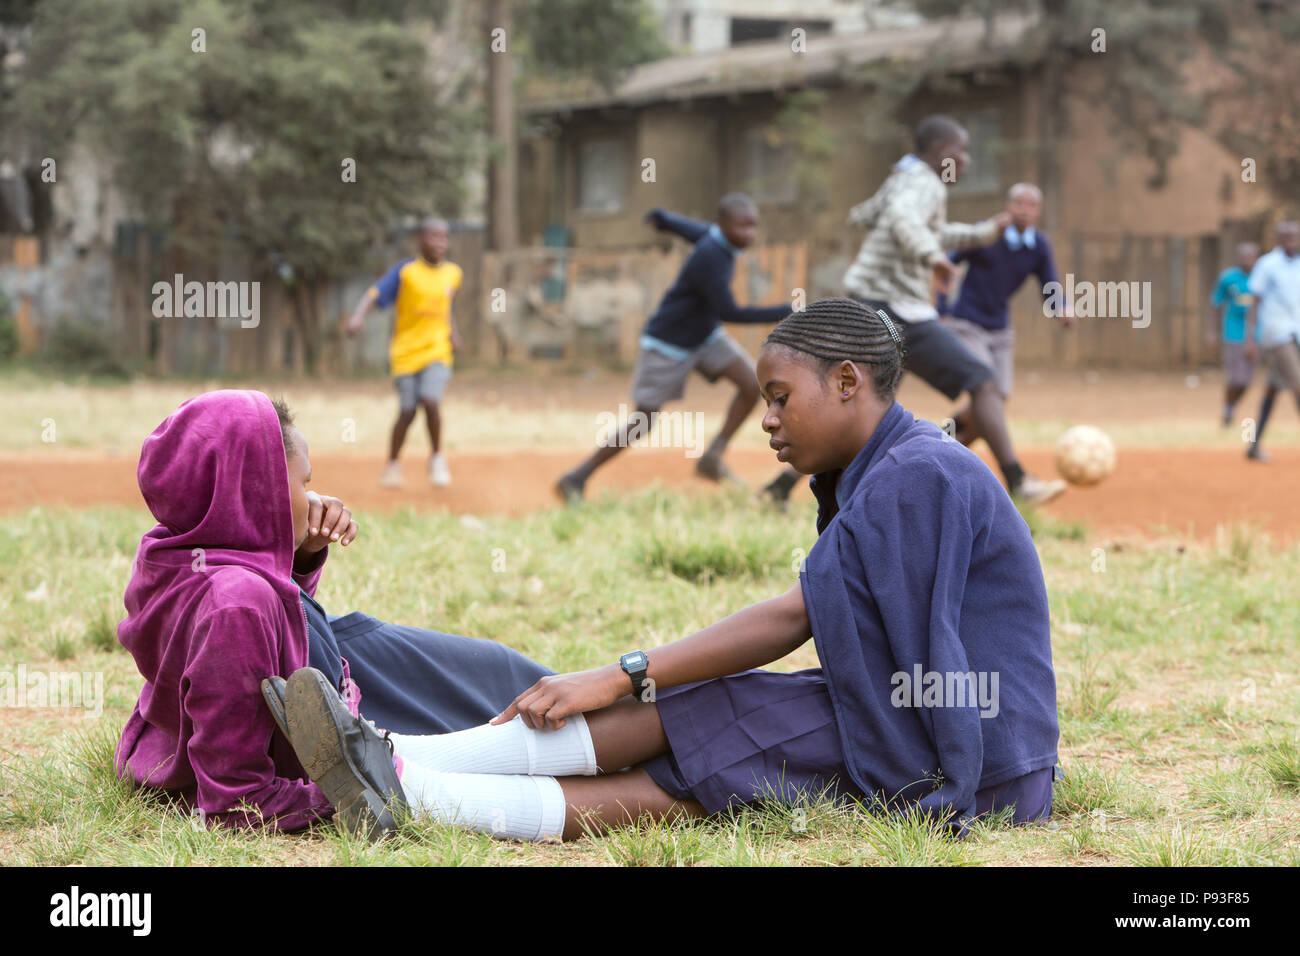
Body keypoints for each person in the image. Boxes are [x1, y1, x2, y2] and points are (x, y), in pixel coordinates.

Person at [281, 298, 1060, 844]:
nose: (766, 419)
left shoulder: (918, 473)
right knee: (708, 711)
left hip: (975, 756)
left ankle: (415, 791)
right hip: (910, 716)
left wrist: (622, 673)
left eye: (782, 397)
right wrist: (634, 676)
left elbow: (796, 619)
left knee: (723, 742)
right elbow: (820, 616)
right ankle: (382, 755)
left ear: (849, 383)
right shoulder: (894, 465)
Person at [113, 390, 551, 834]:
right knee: (504, 702)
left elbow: (267, 637)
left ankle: (606, 712)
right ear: (254, 487)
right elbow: (239, 804)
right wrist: (365, 786)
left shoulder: (175, 553)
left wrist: (301, 549)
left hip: (327, 657)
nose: (314, 497)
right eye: (303, 483)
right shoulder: (237, 602)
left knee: (498, 672)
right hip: (338, 698)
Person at [843, 115, 1065, 504]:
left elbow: (896, 220)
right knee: (984, 382)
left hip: (874, 306)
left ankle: (782, 488)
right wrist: (934, 258)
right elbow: (903, 221)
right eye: (963, 151)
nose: (966, 160)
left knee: (869, 402)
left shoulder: (905, 175)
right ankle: (1017, 482)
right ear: (944, 152)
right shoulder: (925, 182)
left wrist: (981, 234)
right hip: (895, 311)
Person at [555, 193, 801, 505]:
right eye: (742, 227)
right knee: (644, 419)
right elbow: (730, 311)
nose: (749, 235)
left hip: (704, 335)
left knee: (752, 385)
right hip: (669, 341)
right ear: (724, 225)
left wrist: (666, 220)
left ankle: (712, 456)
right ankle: (576, 477)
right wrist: (785, 310)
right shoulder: (711, 257)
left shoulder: (716, 238)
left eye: (753, 227)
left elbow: (694, 230)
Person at [938, 183, 1074, 445]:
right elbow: (945, 266)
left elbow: (1049, 284)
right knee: (985, 390)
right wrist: (941, 310)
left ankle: (944, 442)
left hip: (1000, 328)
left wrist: (1062, 309)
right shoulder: (987, 235)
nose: (1024, 210)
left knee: (996, 402)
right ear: (1008, 207)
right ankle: (943, 445)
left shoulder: (1038, 245)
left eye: (1031, 205)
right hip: (967, 323)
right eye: (1019, 203)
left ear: (1038, 212)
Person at [346, 217, 463, 488]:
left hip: (437, 350)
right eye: (433, 237)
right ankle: (393, 464)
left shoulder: (453, 274)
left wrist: (453, 332)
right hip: (405, 352)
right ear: (420, 240)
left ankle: (436, 459)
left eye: (444, 237)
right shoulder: (406, 271)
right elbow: (374, 294)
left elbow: (444, 308)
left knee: (430, 400)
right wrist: (357, 317)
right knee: (408, 411)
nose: (440, 243)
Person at [1244, 222, 1300, 462]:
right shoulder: (1267, 265)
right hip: (1276, 335)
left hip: (1296, 333)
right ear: (1278, 239)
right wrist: (1249, 340)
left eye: (1294, 236)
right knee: (1299, 385)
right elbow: (1254, 302)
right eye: (1285, 236)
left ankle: (1253, 446)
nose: (1291, 239)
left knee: (1272, 389)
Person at [1211, 243, 1261, 428]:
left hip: (1257, 335)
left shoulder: (1261, 278)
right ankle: (1228, 408)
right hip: (1233, 333)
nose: (1247, 261)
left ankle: (1231, 405)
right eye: (1244, 257)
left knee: (1247, 381)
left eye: (1251, 257)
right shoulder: (1228, 278)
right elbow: (1216, 303)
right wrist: (1213, 331)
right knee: (1235, 378)